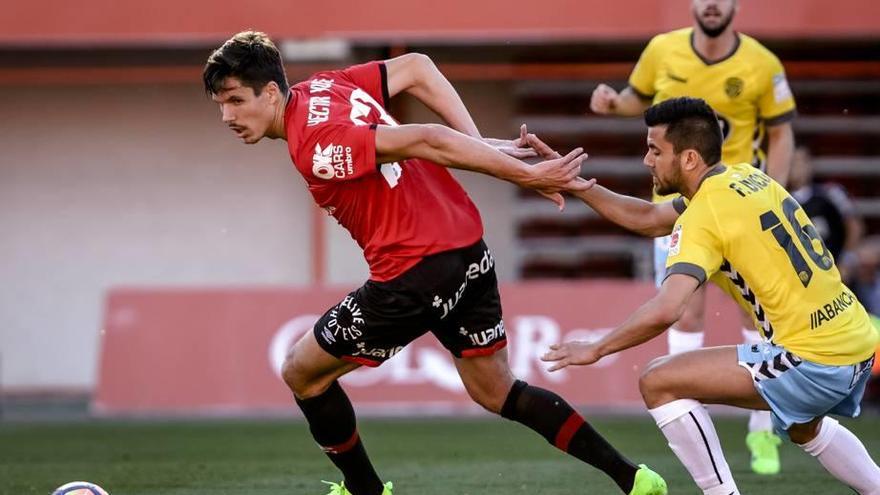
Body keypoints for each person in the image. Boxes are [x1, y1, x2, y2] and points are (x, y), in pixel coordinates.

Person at [202, 31, 667, 495]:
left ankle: (364, 490)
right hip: (468, 250)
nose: (227, 116)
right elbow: (418, 66)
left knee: (301, 372)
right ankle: (636, 480)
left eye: (236, 100)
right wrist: (483, 143)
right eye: (221, 104)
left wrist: (523, 173)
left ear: (269, 92)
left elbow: (427, 138)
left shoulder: (314, 146)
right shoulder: (327, 86)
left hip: (411, 274)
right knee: (496, 390)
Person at [541, 97, 880, 495]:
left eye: (654, 150)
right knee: (804, 424)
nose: (647, 161)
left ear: (687, 159)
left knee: (658, 380)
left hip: (815, 359)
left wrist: (597, 348)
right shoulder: (749, 177)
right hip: (857, 340)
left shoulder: (705, 214)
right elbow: (650, 218)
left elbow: (667, 309)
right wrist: (576, 186)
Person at [589, 0, 796, 474]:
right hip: (683, 207)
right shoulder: (662, 50)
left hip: (740, 205)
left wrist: (779, 191)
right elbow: (636, 99)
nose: (712, 5)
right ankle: (688, 413)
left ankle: (763, 432)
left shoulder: (763, 64)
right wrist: (612, 103)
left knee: (757, 309)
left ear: (735, 5)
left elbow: (782, 133)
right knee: (683, 304)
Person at [789, 146, 864, 279]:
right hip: (799, 274)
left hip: (834, 266)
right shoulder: (778, 199)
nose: (797, 167)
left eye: (802, 161)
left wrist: (846, 261)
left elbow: (854, 226)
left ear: (810, 164)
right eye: (792, 162)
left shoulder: (830, 193)